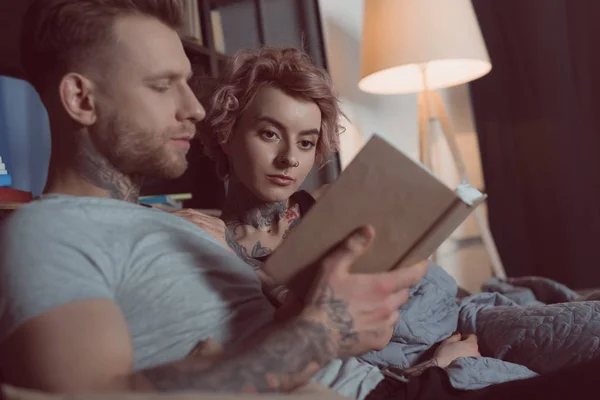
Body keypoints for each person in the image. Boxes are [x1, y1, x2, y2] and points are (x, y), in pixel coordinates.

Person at [1, 1, 598, 399]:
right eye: (163, 86)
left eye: (188, 81)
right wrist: (325, 328)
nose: (195, 107)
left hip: (404, 378)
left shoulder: (167, 227)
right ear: (81, 99)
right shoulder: (48, 233)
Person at [193, 45, 481, 372]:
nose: (289, 157)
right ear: (226, 134)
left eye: (306, 142)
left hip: (458, 317)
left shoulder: (335, 202)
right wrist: (436, 369)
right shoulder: (212, 242)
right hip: (410, 368)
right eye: (270, 133)